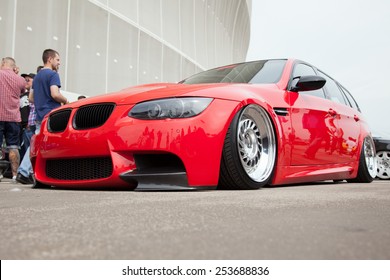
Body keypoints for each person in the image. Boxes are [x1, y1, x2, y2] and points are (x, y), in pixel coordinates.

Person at [16, 50, 68, 186]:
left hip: (39, 115)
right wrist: (66, 100)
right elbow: (55, 94)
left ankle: (30, 172)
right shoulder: (53, 75)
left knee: (38, 143)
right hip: (52, 115)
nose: (59, 63)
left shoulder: (37, 76)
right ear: (49, 59)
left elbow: (31, 98)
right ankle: (26, 171)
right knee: (54, 143)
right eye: (57, 60)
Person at [0, 57, 27, 182]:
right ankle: (15, 175)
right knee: (13, 146)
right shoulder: (20, 79)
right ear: (14, 67)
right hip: (14, 117)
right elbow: (22, 91)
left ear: (4, 63)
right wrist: (16, 74)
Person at [19, 72, 35, 158]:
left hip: (30, 126)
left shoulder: (35, 95)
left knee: (30, 151)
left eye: (28, 80)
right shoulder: (21, 95)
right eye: (25, 80)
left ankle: (27, 170)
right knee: (23, 151)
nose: (26, 82)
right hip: (21, 127)